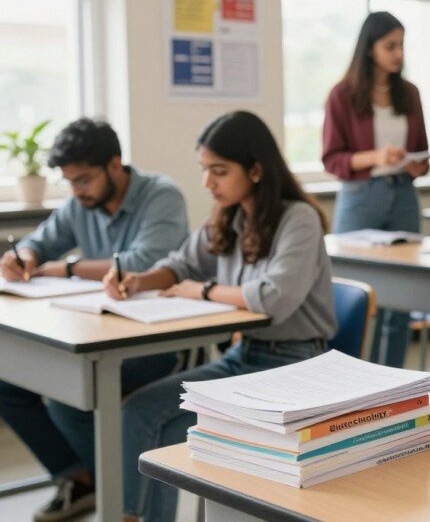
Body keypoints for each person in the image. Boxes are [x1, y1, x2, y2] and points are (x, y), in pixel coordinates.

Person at [112, 111, 336, 522]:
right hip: (246, 358)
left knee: (157, 417)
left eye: (219, 171)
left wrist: (204, 290)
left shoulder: (297, 219)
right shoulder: (230, 217)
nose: (207, 183)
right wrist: (139, 279)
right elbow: (181, 264)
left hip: (295, 364)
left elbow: (273, 300)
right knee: (141, 410)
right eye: (204, 170)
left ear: (255, 170)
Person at [0, 118, 188, 522]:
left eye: (83, 179)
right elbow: (40, 241)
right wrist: (27, 258)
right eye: (69, 181)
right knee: (7, 382)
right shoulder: (79, 203)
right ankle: (83, 478)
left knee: (69, 395)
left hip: (157, 339)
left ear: (115, 165)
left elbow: (142, 264)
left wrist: (64, 269)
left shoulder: (162, 196)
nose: (76, 190)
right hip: (98, 330)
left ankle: (122, 492)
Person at [322, 11, 430, 367]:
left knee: (398, 304)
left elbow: (423, 155)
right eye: (390, 46)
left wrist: (415, 164)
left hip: (402, 194)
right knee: (352, 295)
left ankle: (392, 386)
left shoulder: (409, 94)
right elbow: (332, 159)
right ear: (370, 49)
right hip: (360, 197)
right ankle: (344, 382)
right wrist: (376, 156)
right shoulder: (342, 95)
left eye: (401, 45)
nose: (398, 53)